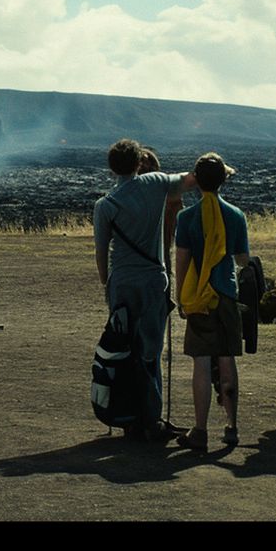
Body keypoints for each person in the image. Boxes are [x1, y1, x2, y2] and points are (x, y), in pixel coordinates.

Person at [92, 138, 197, 442]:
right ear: (139, 162)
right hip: (153, 279)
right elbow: (190, 180)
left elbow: (101, 253)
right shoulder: (154, 184)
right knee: (150, 351)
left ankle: (127, 416)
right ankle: (151, 417)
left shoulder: (106, 205)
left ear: (112, 169)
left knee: (122, 347)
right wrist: (221, 170)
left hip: (122, 281)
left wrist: (106, 283)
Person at [172, 152, 248, 452]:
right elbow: (242, 260)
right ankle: (231, 426)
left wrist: (181, 296)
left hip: (199, 297)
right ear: (223, 181)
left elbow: (182, 260)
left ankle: (200, 429)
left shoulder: (186, 217)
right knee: (227, 360)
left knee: (201, 364)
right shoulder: (236, 215)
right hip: (226, 295)